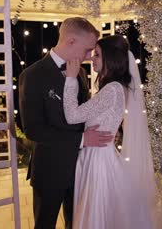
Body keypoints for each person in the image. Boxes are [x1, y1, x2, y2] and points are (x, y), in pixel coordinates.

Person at [18, 17, 114, 229]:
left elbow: (80, 112)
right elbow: (32, 130)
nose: (90, 56)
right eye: (88, 49)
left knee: (76, 223)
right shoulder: (32, 75)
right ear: (71, 41)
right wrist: (81, 139)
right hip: (49, 168)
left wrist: (105, 128)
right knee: (45, 224)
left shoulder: (78, 71)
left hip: (80, 166)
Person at [64, 35, 162, 229]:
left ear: (110, 58)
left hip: (98, 158)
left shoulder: (112, 89)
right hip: (98, 153)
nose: (92, 59)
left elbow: (73, 116)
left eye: (97, 55)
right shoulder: (116, 87)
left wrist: (70, 79)